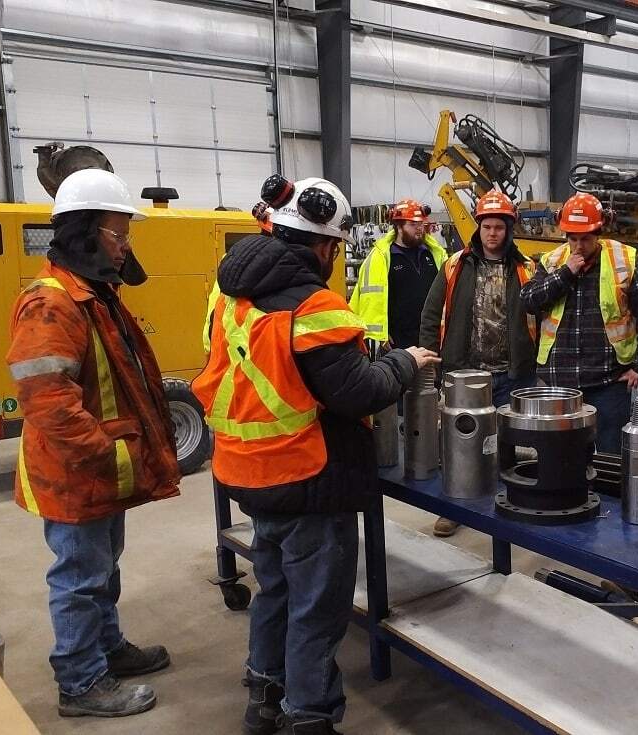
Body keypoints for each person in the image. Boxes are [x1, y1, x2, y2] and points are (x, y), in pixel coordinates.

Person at [192, 177, 439, 735]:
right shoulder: (314, 303)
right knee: (316, 608)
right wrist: (404, 363)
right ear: (325, 246)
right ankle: (310, 715)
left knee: (274, 589)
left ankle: (264, 694)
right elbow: (356, 391)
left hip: (248, 469)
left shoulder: (230, 293)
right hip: (305, 475)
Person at [6, 169, 181, 718]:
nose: (126, 245)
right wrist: (105, 452)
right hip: (78, 472)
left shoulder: (95, 295)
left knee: (103, 568)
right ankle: (81, 683)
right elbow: (49, 403)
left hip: (102, 469)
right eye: (118, 233)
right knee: (79, 578)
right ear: (86, 232)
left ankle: (106, 650)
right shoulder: (51, 303)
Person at [419, 189, 538, 537]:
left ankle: (504, 512)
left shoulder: (526, 268)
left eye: (499, 227)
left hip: (510, 375)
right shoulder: (455, 265)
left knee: (507, 447)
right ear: (478, 228)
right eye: (487, 226)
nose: (492, 233)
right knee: (458, 447)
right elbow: (431, 315)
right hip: (465, 375)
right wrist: (432, 365)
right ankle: (455, 508)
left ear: (509, 229)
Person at [520, 192, 638, 453]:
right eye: (572, 238)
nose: (578, 246)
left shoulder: (625, 260)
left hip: (609, 382)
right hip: (559, 382)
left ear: (599, 232)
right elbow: (529, 300)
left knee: (610, 457)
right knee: (560, 457)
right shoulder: (552, 262)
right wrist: (566, 274)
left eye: (585, 238)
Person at [349, 198, 447, 351]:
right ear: (399, 227)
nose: (419, 228)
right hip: (398, 341)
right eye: (413, 225)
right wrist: (381, 334)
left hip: (431, 337)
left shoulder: (434, 253)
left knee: (432, 375)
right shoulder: (382, 257)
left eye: (421, 223)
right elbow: (370, 299)